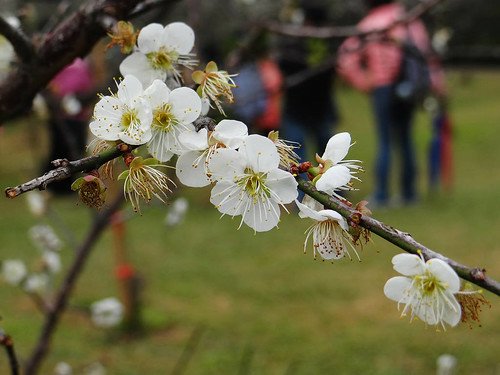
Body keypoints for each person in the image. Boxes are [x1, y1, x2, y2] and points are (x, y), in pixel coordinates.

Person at [337, 0, 445, 207]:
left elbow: (346, 58)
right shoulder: (409, 21)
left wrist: (362, 81)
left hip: (382, 87)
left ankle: (382, 193)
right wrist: (436, 83)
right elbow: (425, 56)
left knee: (385, 140)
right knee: (405, 139)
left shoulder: (370, 24)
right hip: (407, 87)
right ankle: (409, 192)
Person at [277, 3, 340, 162]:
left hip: (319, 110)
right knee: (296, 161)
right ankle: (300, 187)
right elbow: (283, 66)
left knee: (328, 159)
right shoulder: (292, 44)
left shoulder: (328, 47)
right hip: (297, 111)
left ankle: (334, 187)